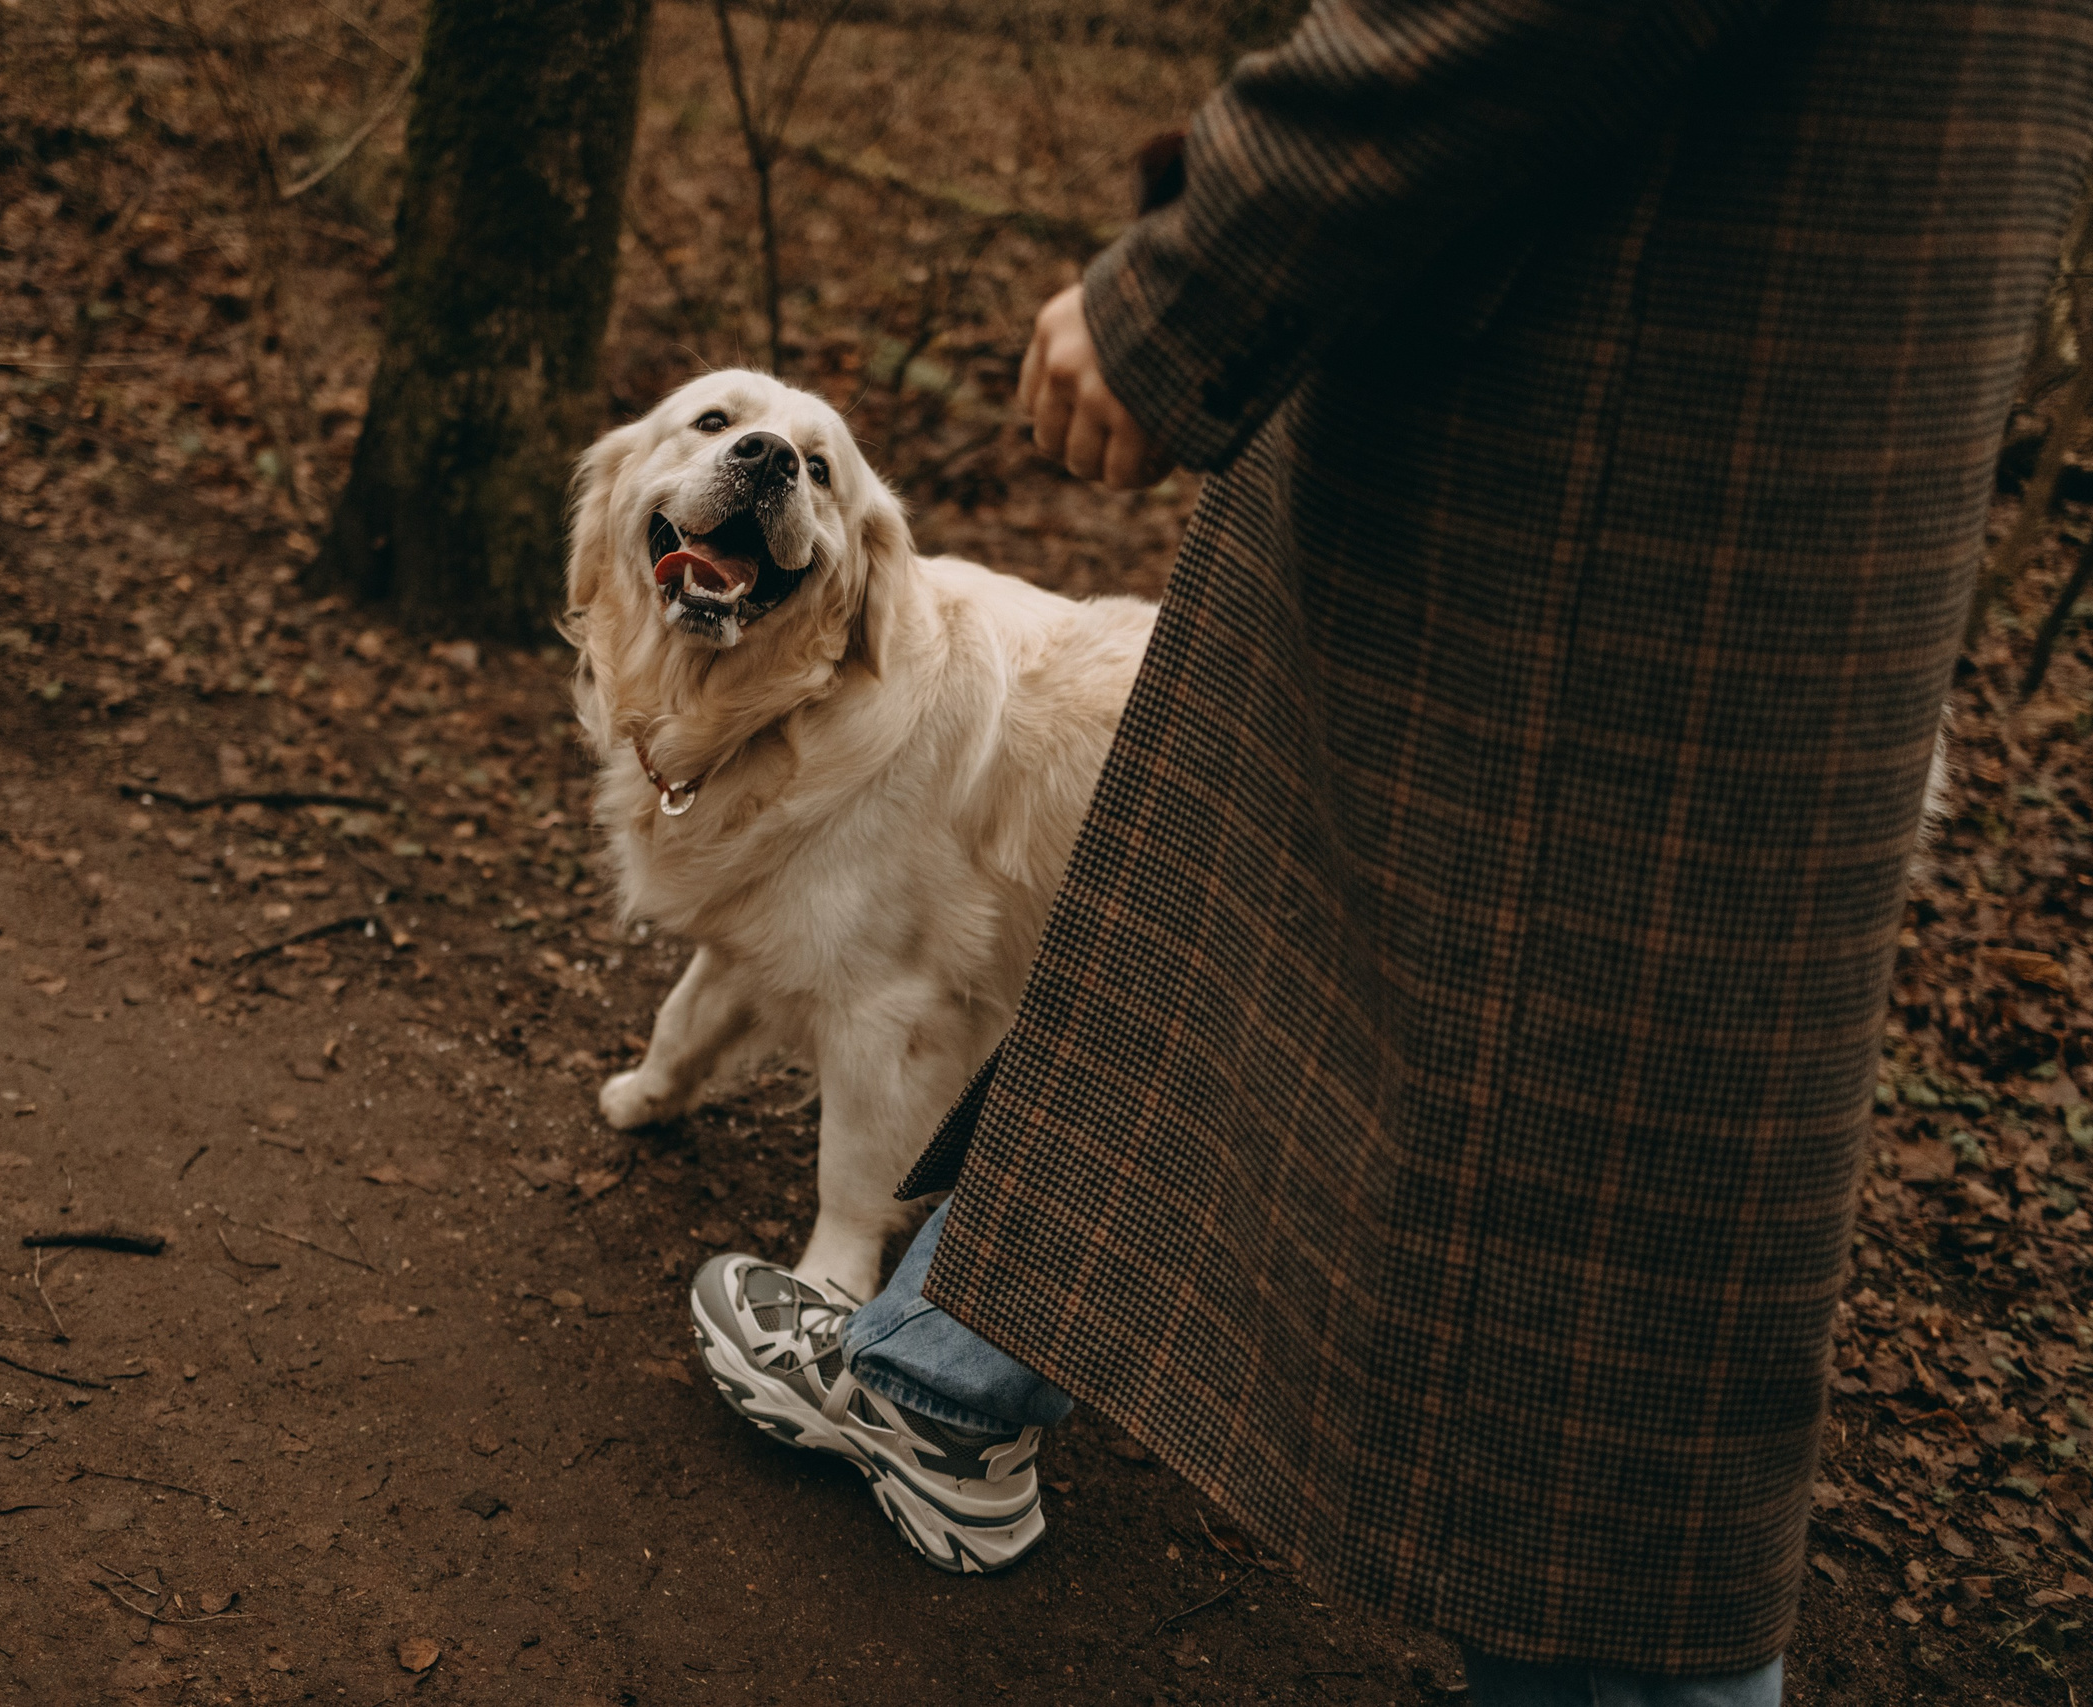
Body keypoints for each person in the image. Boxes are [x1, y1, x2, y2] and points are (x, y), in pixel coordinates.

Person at [687, 0, 2093, 1699]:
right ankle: (941, 1373)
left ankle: (1635, 1671)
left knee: (1597, 1184)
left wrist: (1192, 273)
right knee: (1237, 918)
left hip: (1599, 452)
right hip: (1772, 435)